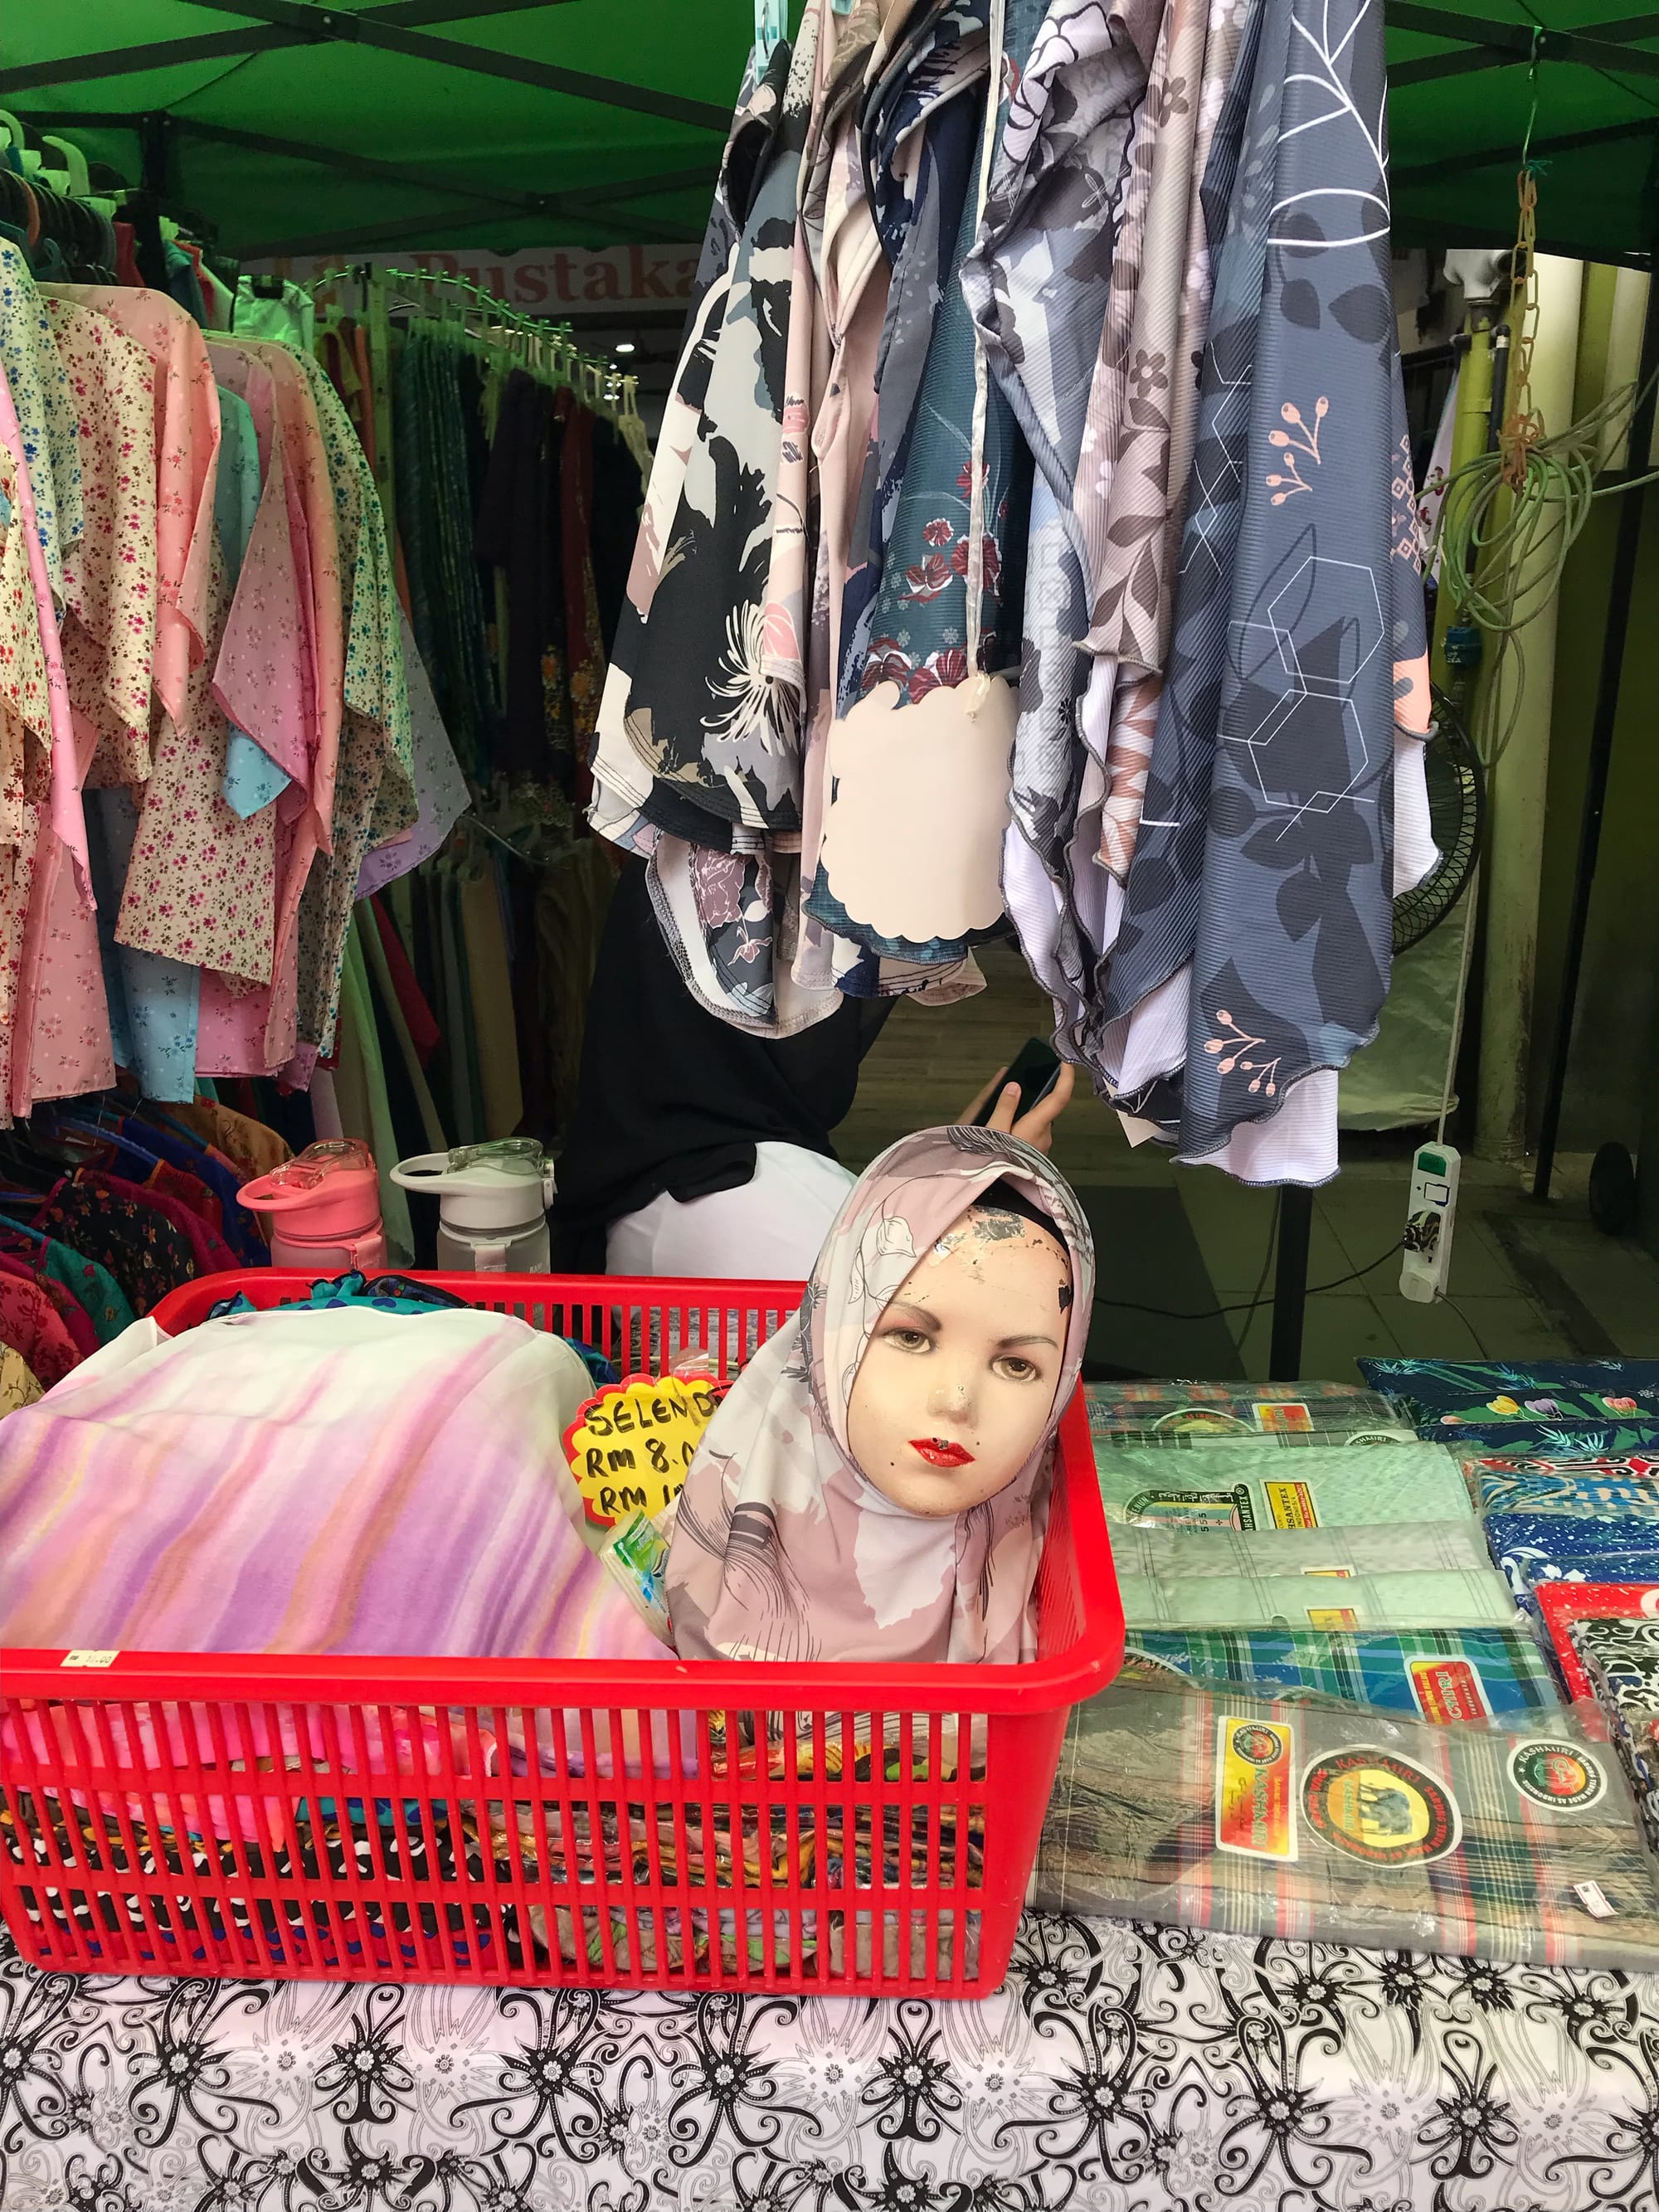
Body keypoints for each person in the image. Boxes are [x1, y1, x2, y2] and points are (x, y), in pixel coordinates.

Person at [664, 1126, 1094, 1665]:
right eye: (911, 1337)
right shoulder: (730, 1501)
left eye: (1016, 1364)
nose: (956, 1400)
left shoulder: (1046, 1555)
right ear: (832, 1331)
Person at [551, 858, 1074, 1277]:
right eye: (823, 998)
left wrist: (958, 1173)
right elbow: (946, 1316)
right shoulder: (762, 1210)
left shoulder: (647, 1165)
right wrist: (997, 1191)